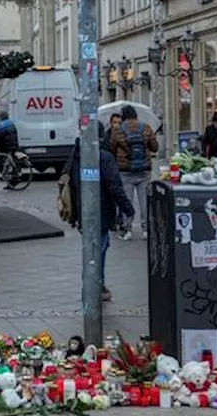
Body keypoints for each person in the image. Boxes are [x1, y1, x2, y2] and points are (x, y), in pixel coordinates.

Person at [64, 122, 134, 302]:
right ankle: (94, 286)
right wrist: (128, 208)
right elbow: (114, 186)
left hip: (83, 211)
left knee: (92, 248)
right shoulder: (104, 157)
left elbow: (68, 181)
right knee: (99, 249)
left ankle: (91, 285)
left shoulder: (76, 154)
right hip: (101, 211)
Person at [109, 105, 157, 240]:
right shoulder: (146, 127)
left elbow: (112, 148)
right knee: (144, 202)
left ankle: (127, 230)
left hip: (125, 171)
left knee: (126, 201)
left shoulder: (118, 130)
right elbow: (155, 147)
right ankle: (146, 230)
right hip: (144, 170)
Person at [0, 110, 22, 186]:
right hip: (13, 145)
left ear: (1, 117)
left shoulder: (3, 125)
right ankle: (9, 179)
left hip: (7, 146)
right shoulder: (10, 123)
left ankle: (1, 173)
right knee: (7, 160)